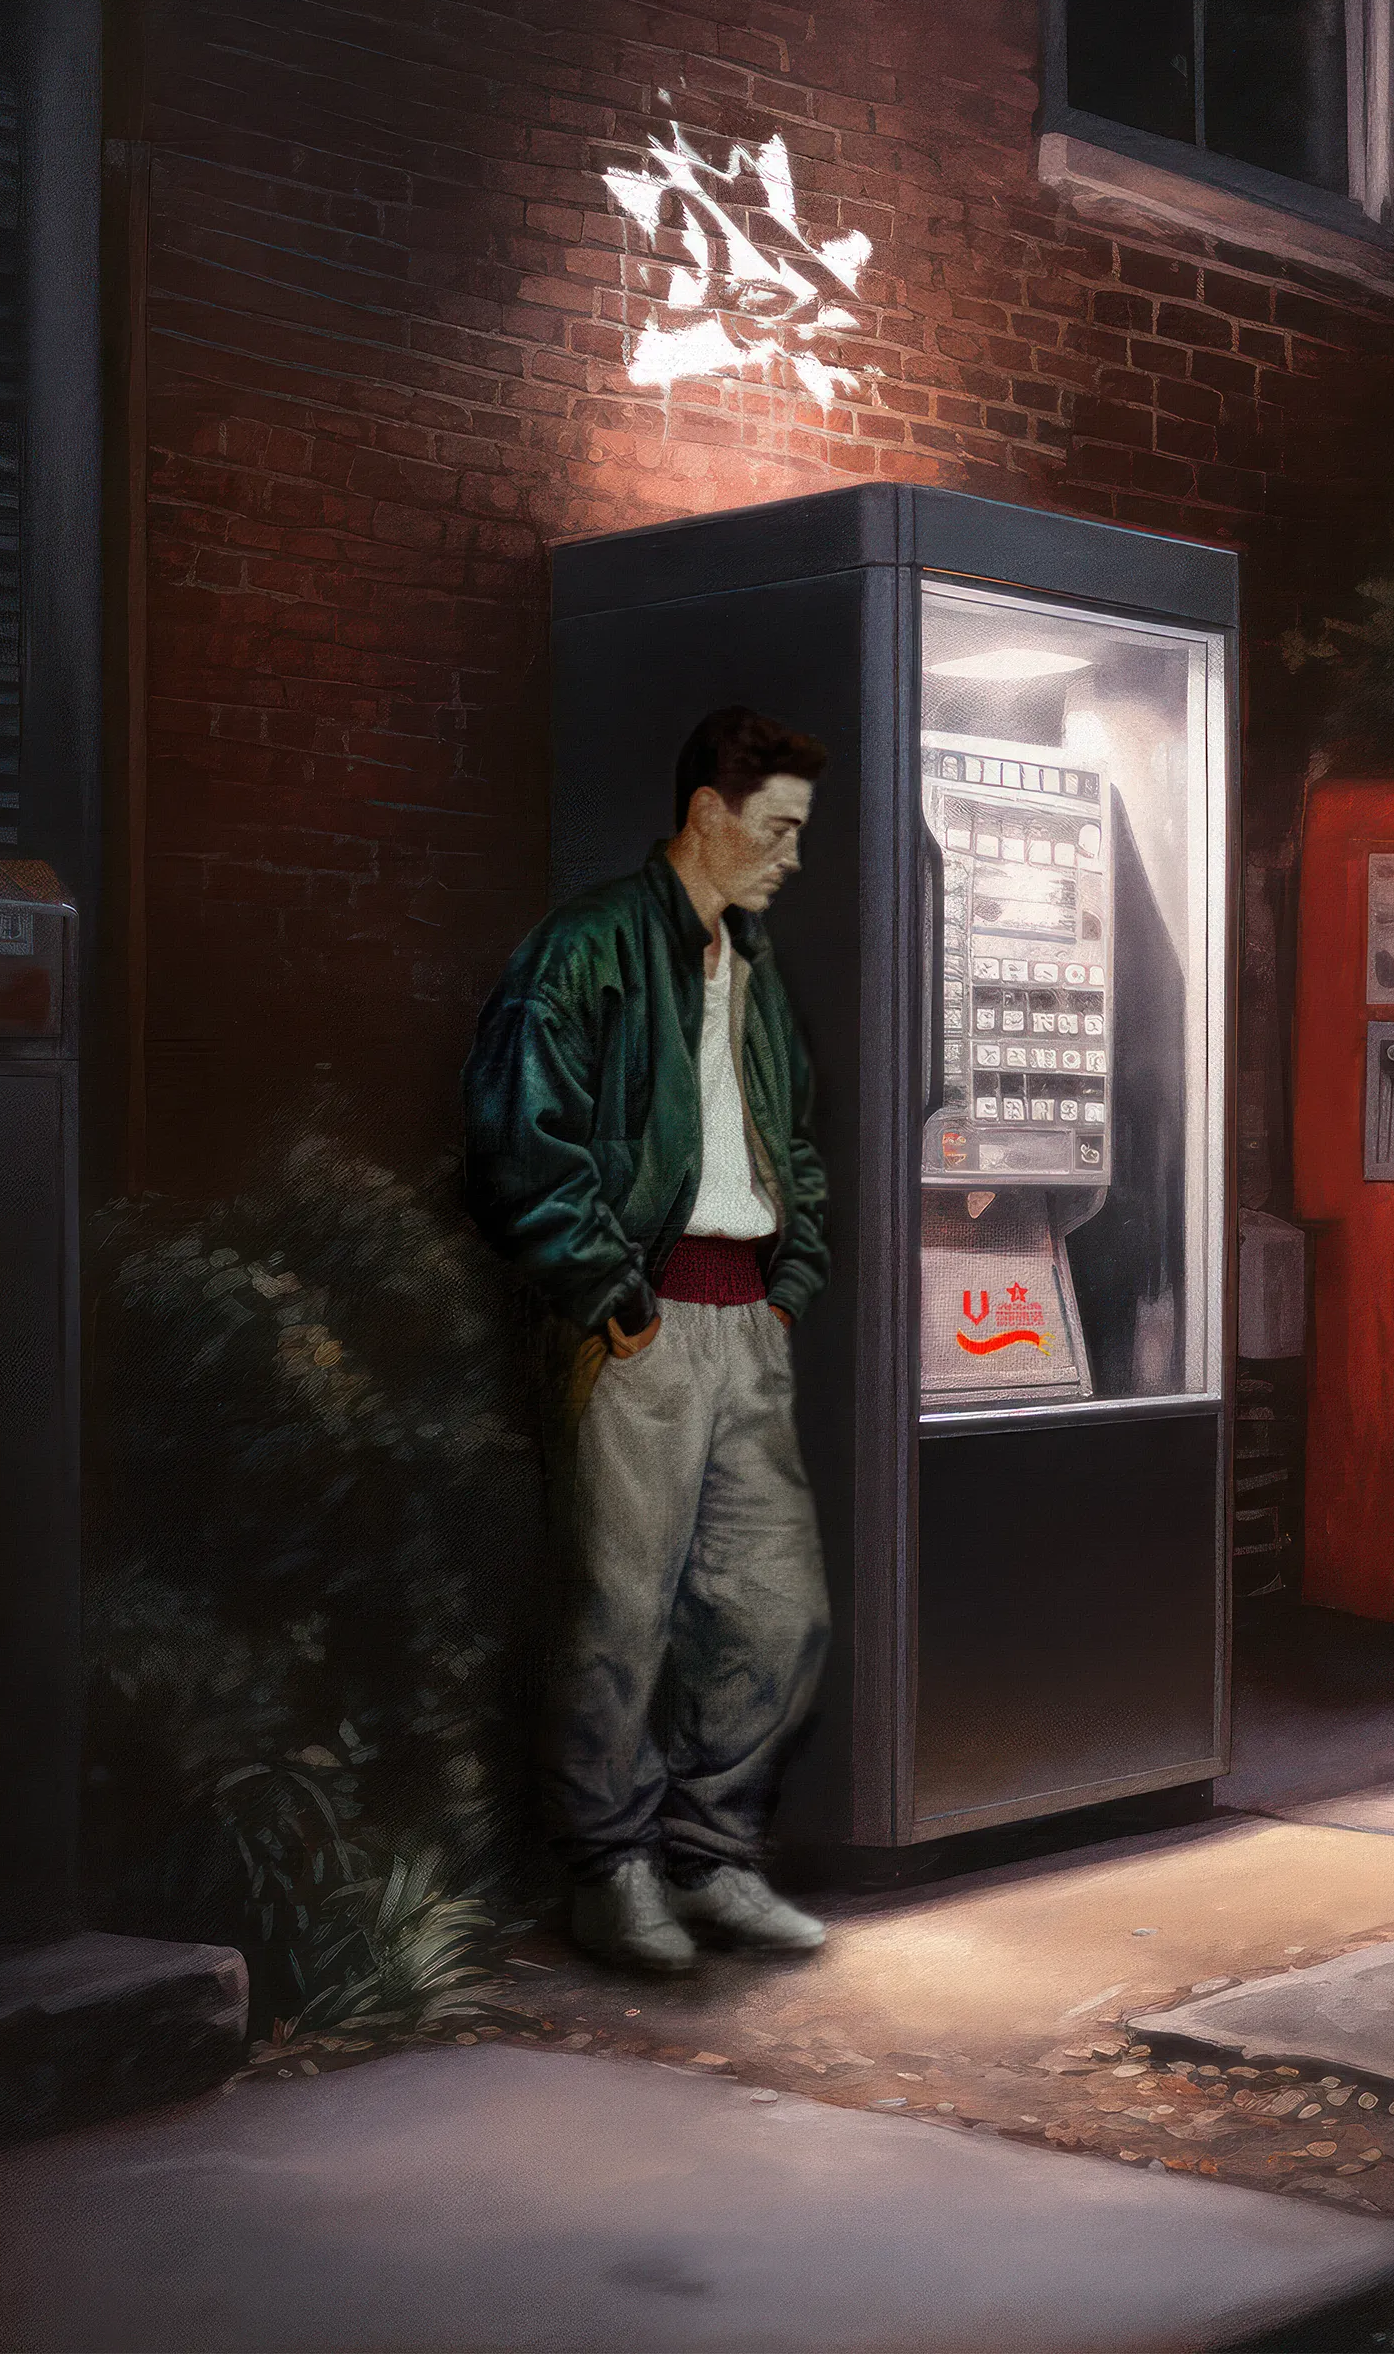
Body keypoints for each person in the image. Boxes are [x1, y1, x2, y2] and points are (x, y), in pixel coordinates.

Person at [463, 706, 832, 1973]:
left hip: (745, 1322)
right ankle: (611, 1869)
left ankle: (711, 1857)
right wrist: (613, 1300)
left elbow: (797, 1147)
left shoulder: (752, 961)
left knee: (774, 1614)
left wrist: (793, 1286)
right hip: (643, 1325)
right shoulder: (588, 948)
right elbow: (519, 1136)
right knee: (622, 1612)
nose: (790, 856)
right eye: (776, 830)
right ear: (708, 818)